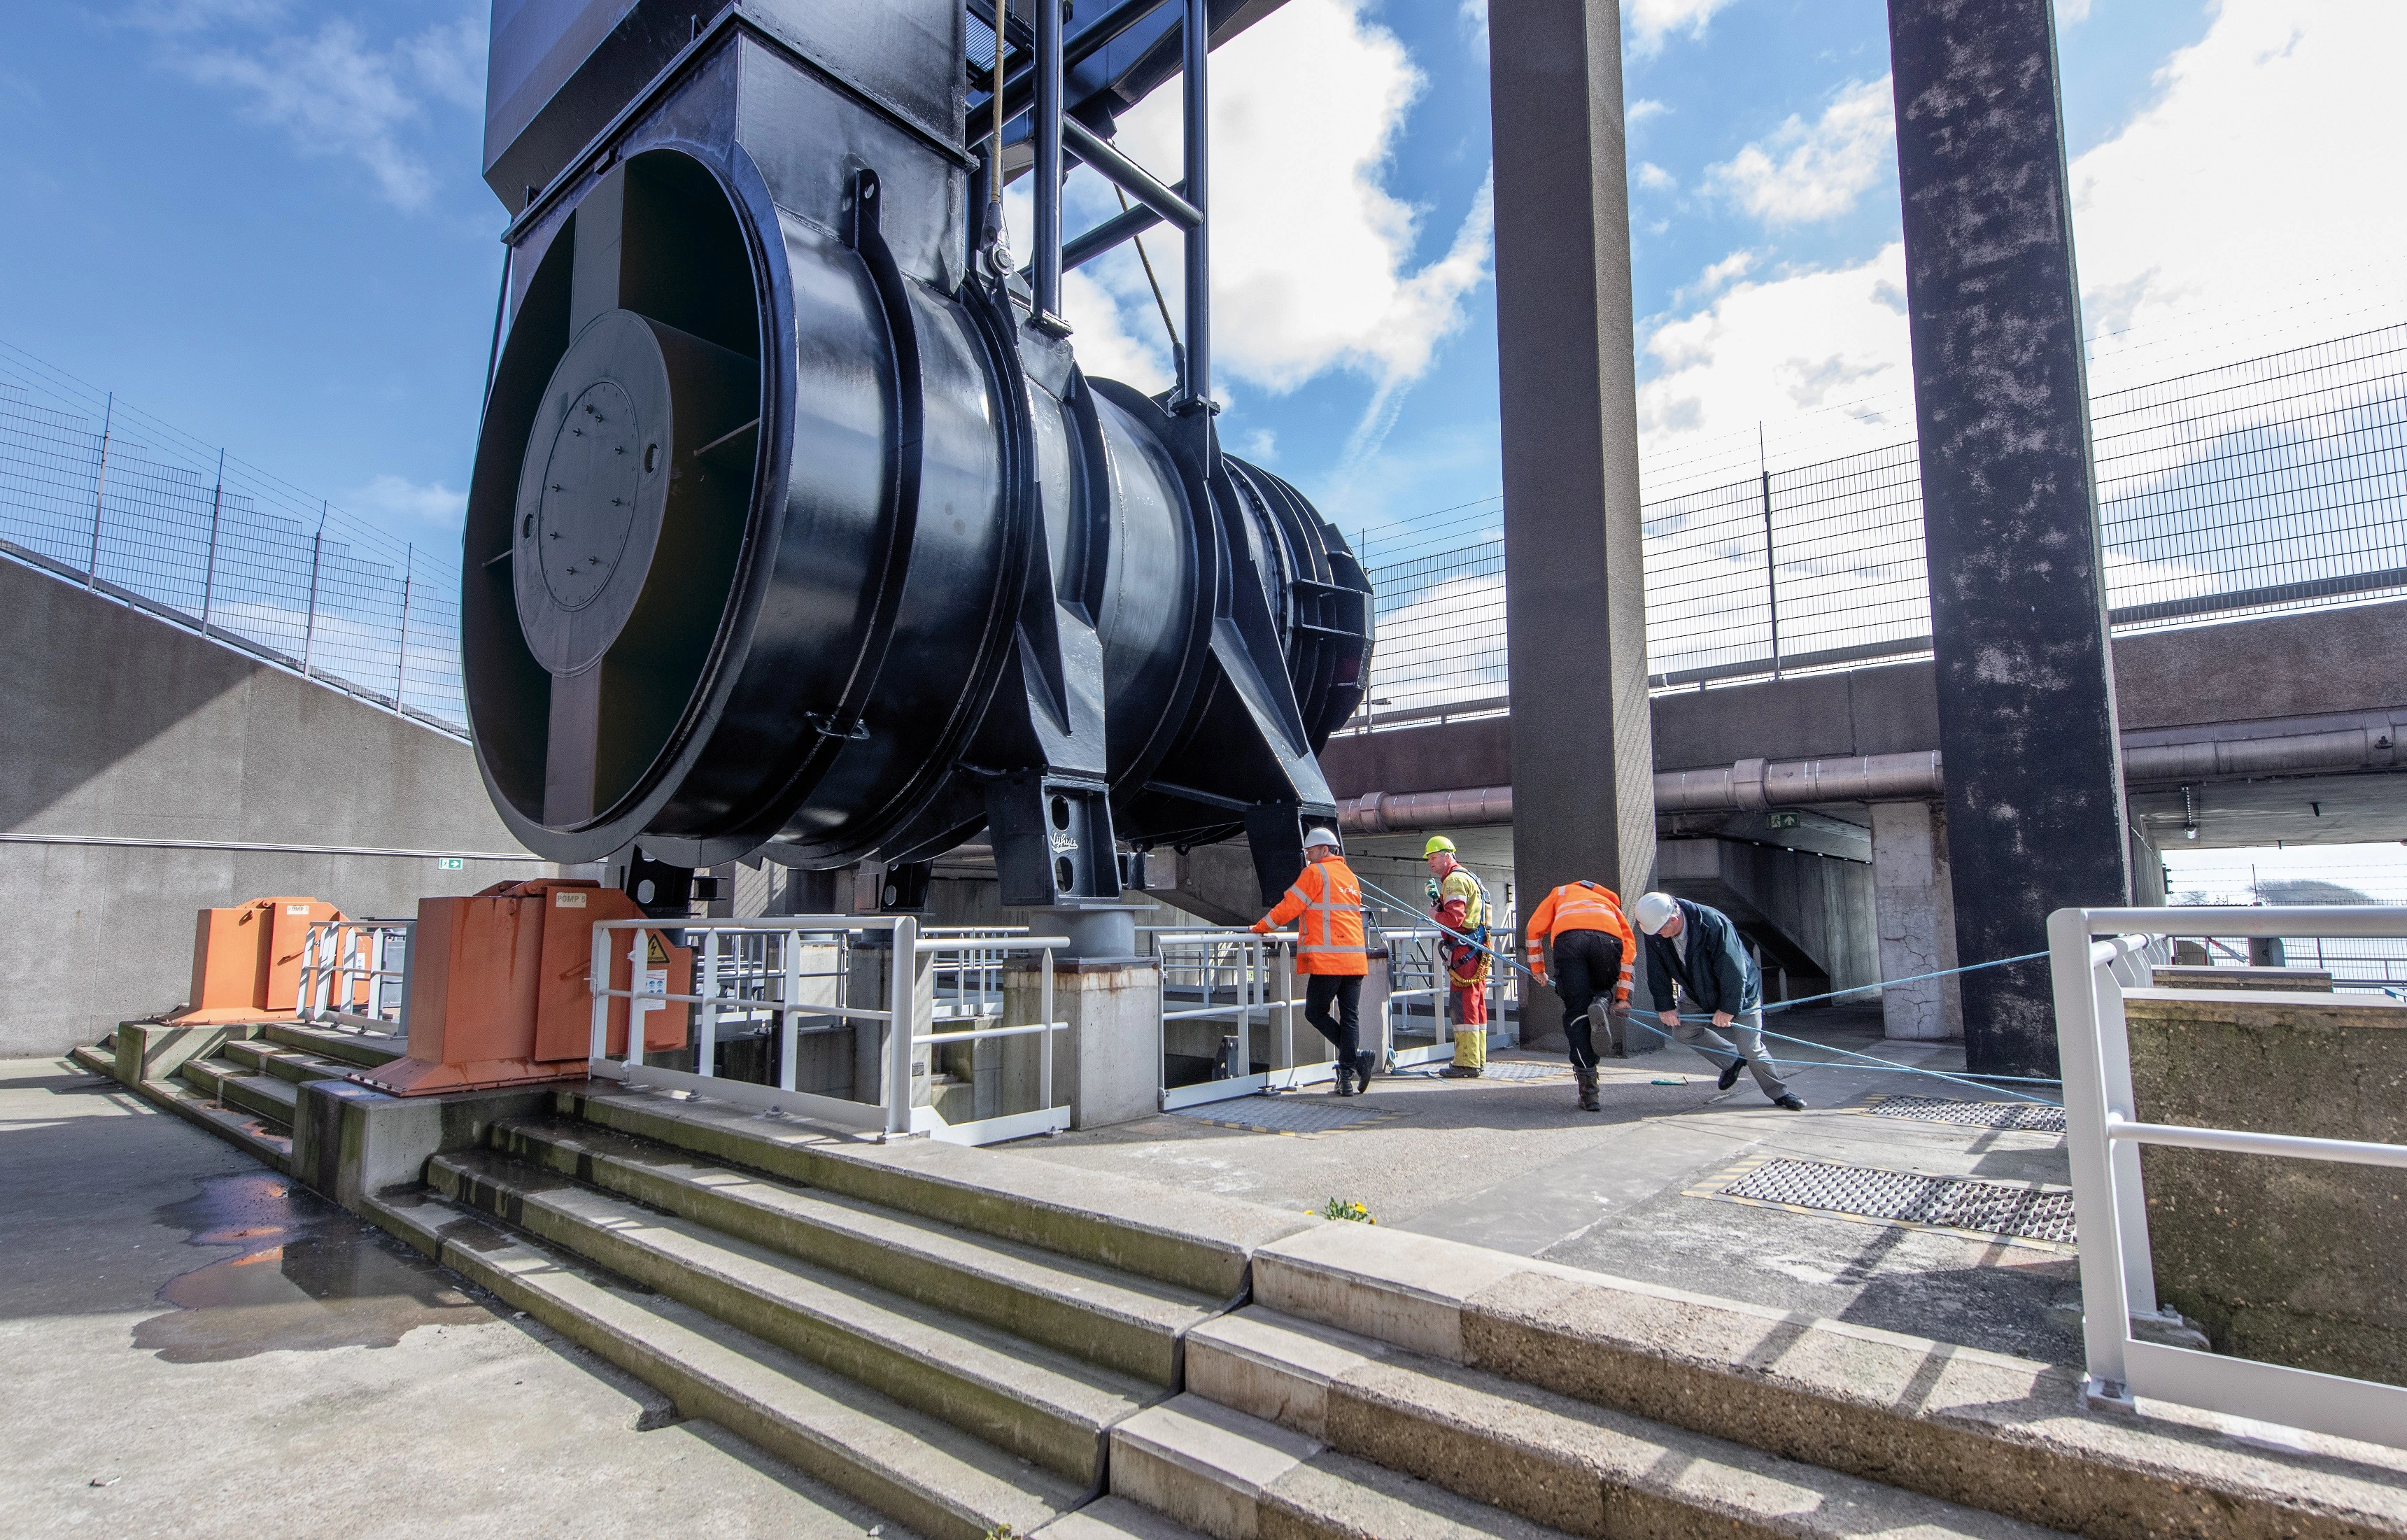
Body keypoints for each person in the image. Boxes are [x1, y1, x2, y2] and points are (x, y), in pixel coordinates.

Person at [1629, 891, 1806, 1110]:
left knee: (1750, 1048)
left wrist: (1728, 1008)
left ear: (1674, 920)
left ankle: (1780, 1093)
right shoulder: (1656, 928)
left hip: (1739, 992)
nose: (1659, 936)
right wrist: (1665, 1005)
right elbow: (1656, 969)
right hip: (1696, 990)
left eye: (1661, 931)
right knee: (1684, 1032)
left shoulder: (1713, 923)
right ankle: (1732, 1060)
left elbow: (1734, 969)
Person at [1250, 828, 1376, 1096]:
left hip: (1329, 961)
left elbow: (1289, 906)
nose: (1307, 856)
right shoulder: (1350, 877)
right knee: (1350, 1017)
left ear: (1324, 850)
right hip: (1354, 959)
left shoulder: (1315, 873)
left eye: (1310, 851)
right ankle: (1347, 1076)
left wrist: (1261, 927)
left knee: (1315, 1012)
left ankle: (1354, 1061)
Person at [1523, 879, 1636, 1112]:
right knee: (1602, 988)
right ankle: (1602, 1001)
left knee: (1576, 1012)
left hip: (1569, 941)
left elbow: (1534, 928)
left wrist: (1538, 969)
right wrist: (1622, 997)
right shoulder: (1610, 904)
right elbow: (1628, 951)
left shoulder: (1560, 892)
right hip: (1608, 942)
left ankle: (1589, 1092)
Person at [1423, 835, 1491, 1079]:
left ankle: (1467, 1062)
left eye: (1433, 857)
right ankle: (1477, 1059)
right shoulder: (1469, 877)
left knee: (1464, 1006)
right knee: (1476, 1003)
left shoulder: (1453, 881)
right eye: (1428, 858)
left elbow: (1454, 920)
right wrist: (1439, 902)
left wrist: (1433, 913)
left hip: (1465, 951)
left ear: (1447, 856)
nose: (1430, 862)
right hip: (1476, 949)